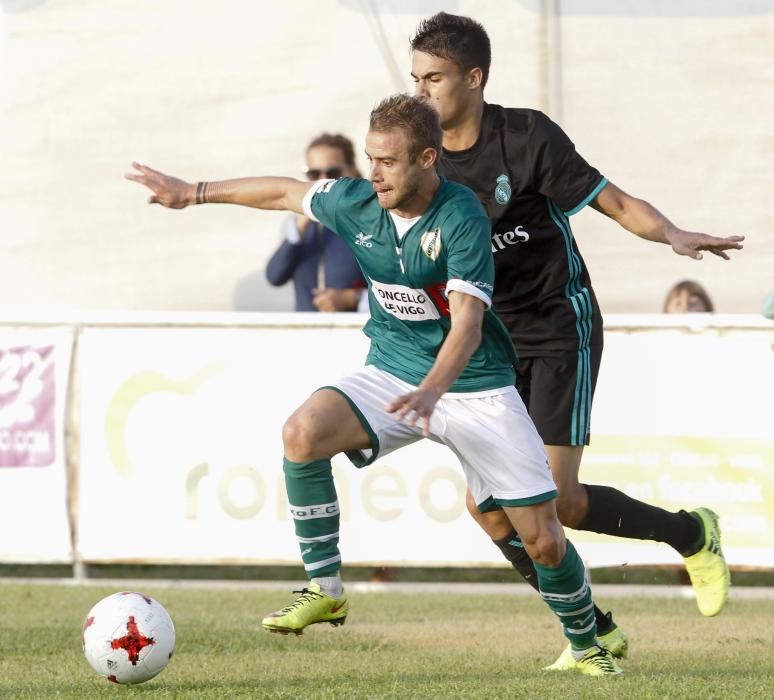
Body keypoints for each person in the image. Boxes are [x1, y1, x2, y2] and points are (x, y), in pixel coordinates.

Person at [127, 94, 623, 677]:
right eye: (370, 159)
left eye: (388, 161)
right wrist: (195, 193)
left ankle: (589, 641)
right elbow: (285, 192)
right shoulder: (357, 203)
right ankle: (325, 586)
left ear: (428, 159)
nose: (375, 173)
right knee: (302, 433)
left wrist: (435, 392)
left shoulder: (461, 217)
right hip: (392, 369)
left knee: (541, 538)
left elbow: (466, 324)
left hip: (476, 388)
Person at [409, 12, 743, 670]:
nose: (422, 93)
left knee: (553, 501)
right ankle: (592, 625)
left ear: (474, 79)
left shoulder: (526, 137)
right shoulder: (421, 159)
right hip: (489, 341)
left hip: (560, 323)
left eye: (435, 79)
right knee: (489, 510)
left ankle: (692, 533)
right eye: (414, 79)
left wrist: (671, 232)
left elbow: (613, 202)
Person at [265, 133, 366, 311]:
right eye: (314, 174)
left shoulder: (369, 218)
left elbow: (400, 288)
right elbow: (275, 276)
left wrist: (353, 298)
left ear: (353, 171)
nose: (322, 181)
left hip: (356, 331)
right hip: (308, 333)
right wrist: (300, 226)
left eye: (332, 173)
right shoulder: (298, 225)